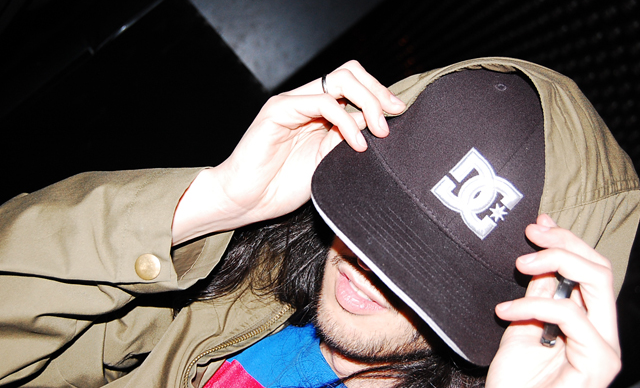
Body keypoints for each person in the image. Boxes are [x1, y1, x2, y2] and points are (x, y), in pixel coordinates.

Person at [0, 58, 637, 388]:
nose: (366, 268)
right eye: (379, 212)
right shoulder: (220, 296)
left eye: (434, 270)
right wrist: (211, 202)